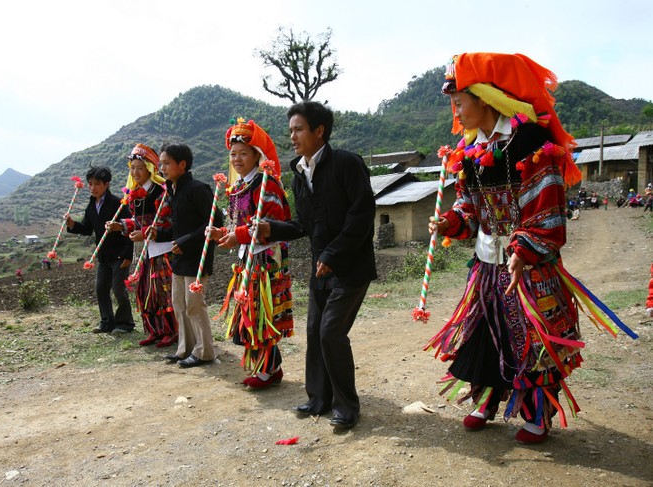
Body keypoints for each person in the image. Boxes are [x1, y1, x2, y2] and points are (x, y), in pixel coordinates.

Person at [427, 53, 636, 444]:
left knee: (532, 338)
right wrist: (450, 222)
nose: (455, 110)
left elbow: (549, 214)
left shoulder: (532, 144)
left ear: (486, 98)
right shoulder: (469, 151)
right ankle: (486, 399)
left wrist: (523, 250)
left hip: (530, 265)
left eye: (460, 101)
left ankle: (535, 413)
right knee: (484, 332)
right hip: (487, 263)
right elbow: (468, 209)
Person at [258, 102, 376, 430]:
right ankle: (318, 399)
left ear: (318, 130)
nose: (292, 136)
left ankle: (347, 406)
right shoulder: (299, 173)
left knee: (330, 332)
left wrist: (333, 255)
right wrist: (272, 227)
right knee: (314, 332)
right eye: (291, 130)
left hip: (350, 268)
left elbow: (362, 214)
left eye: (298, 129)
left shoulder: (346, 164)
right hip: (320, 270)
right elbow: (303, 224)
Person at [208, 119, 293, 388]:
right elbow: (237, 225)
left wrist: (238, 235)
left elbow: (271, 224)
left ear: (257, 154)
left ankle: (267, 370)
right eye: (233, 154)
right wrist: (221, 233)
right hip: (247, 256)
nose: (237, 159)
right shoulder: (238, 187)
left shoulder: (267, 183)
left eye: (243, 153)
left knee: (259, 313)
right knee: (250, 312)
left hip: (266, 258)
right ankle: (270, 368)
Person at [155, 142, 221, 368]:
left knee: (194, 304)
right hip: (180, 257)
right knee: (179, 303)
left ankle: (205, 352)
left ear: (181, 165)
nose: (161, 167)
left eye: (166, 163)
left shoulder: (198, 189)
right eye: (160, 163)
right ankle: (185, 349)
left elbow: (214, 222)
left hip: (197, 256)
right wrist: (158, 233)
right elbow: (178, 228)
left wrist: (185, 242)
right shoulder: (173, 191)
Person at [107, 144, 178, 347]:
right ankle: (154, 329)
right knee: (146, 290)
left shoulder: (161, 192)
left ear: (150, 168)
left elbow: (165, 223)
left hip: (163, 250)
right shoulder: (135, 195)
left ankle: (171, 330)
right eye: (132, 167)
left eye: (140, 167)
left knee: (164, 291)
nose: (135, 172)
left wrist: (145, 232)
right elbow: (137, 222)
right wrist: (120, 225)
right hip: (145, 250)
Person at [66, 165, 135, 334]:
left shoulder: (119, 204)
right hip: (103, 255)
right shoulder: (91, 206)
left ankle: (125, 323)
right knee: (101, 288)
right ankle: (107, 322)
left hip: (119, 255)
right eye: (90, 184)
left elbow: (131, 228)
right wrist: (73, 225)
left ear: (106, 184)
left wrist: (128, 254)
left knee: (119, 289)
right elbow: (87, 229)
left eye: (96, 184)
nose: (92, 187)